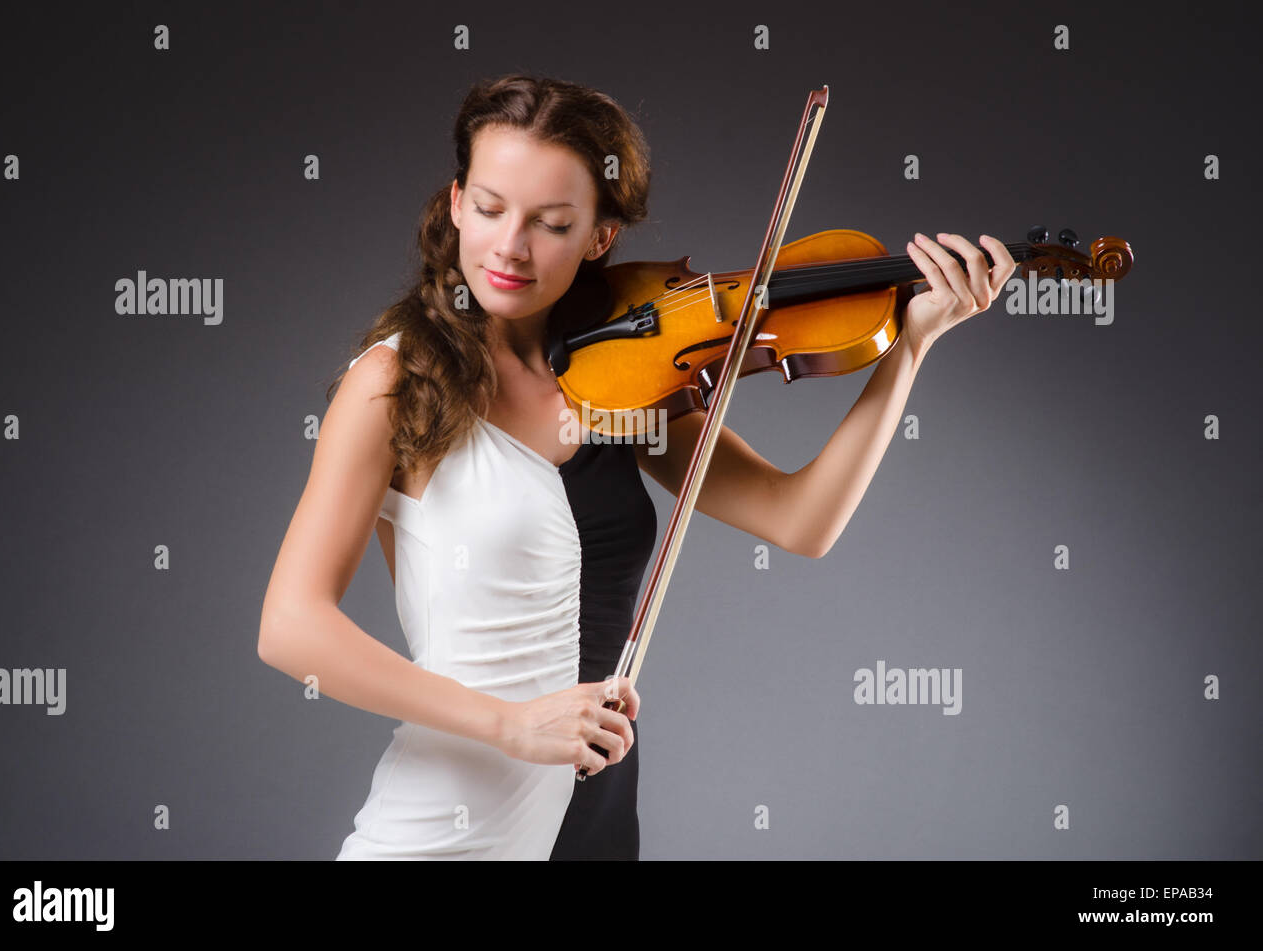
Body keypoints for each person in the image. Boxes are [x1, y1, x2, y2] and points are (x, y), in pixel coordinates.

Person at [257, 73, 1015, 861]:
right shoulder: (393, 381)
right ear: (455, 204)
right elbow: (290, 626)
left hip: (600, 818)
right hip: (452, 827)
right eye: (488, 208)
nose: (510, 246)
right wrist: (510, 723)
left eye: (552, 223)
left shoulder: (623, 374)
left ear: (600, 236)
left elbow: (801, 520)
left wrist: (910, 346)